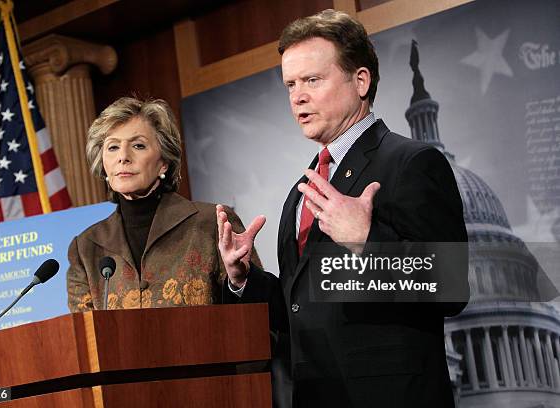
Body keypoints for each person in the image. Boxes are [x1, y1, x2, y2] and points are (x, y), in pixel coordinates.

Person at [218, 9, 468, 408]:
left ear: (361, 80)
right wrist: (244, 278)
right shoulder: (301, 191)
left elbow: (450, 286)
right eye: (290, 84)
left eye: (312, 80)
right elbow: (297, 309)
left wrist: (366, 241)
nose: (297, 96)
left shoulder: (412, 162)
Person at [67, 96, 257, 311]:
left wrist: (240, 281)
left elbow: (258, 317)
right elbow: (85, 336)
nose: (123, 157)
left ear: (164, 163)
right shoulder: (85, 248)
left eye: (138, 145)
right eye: (112, 147)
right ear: (102, 164)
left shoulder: (212, 223)